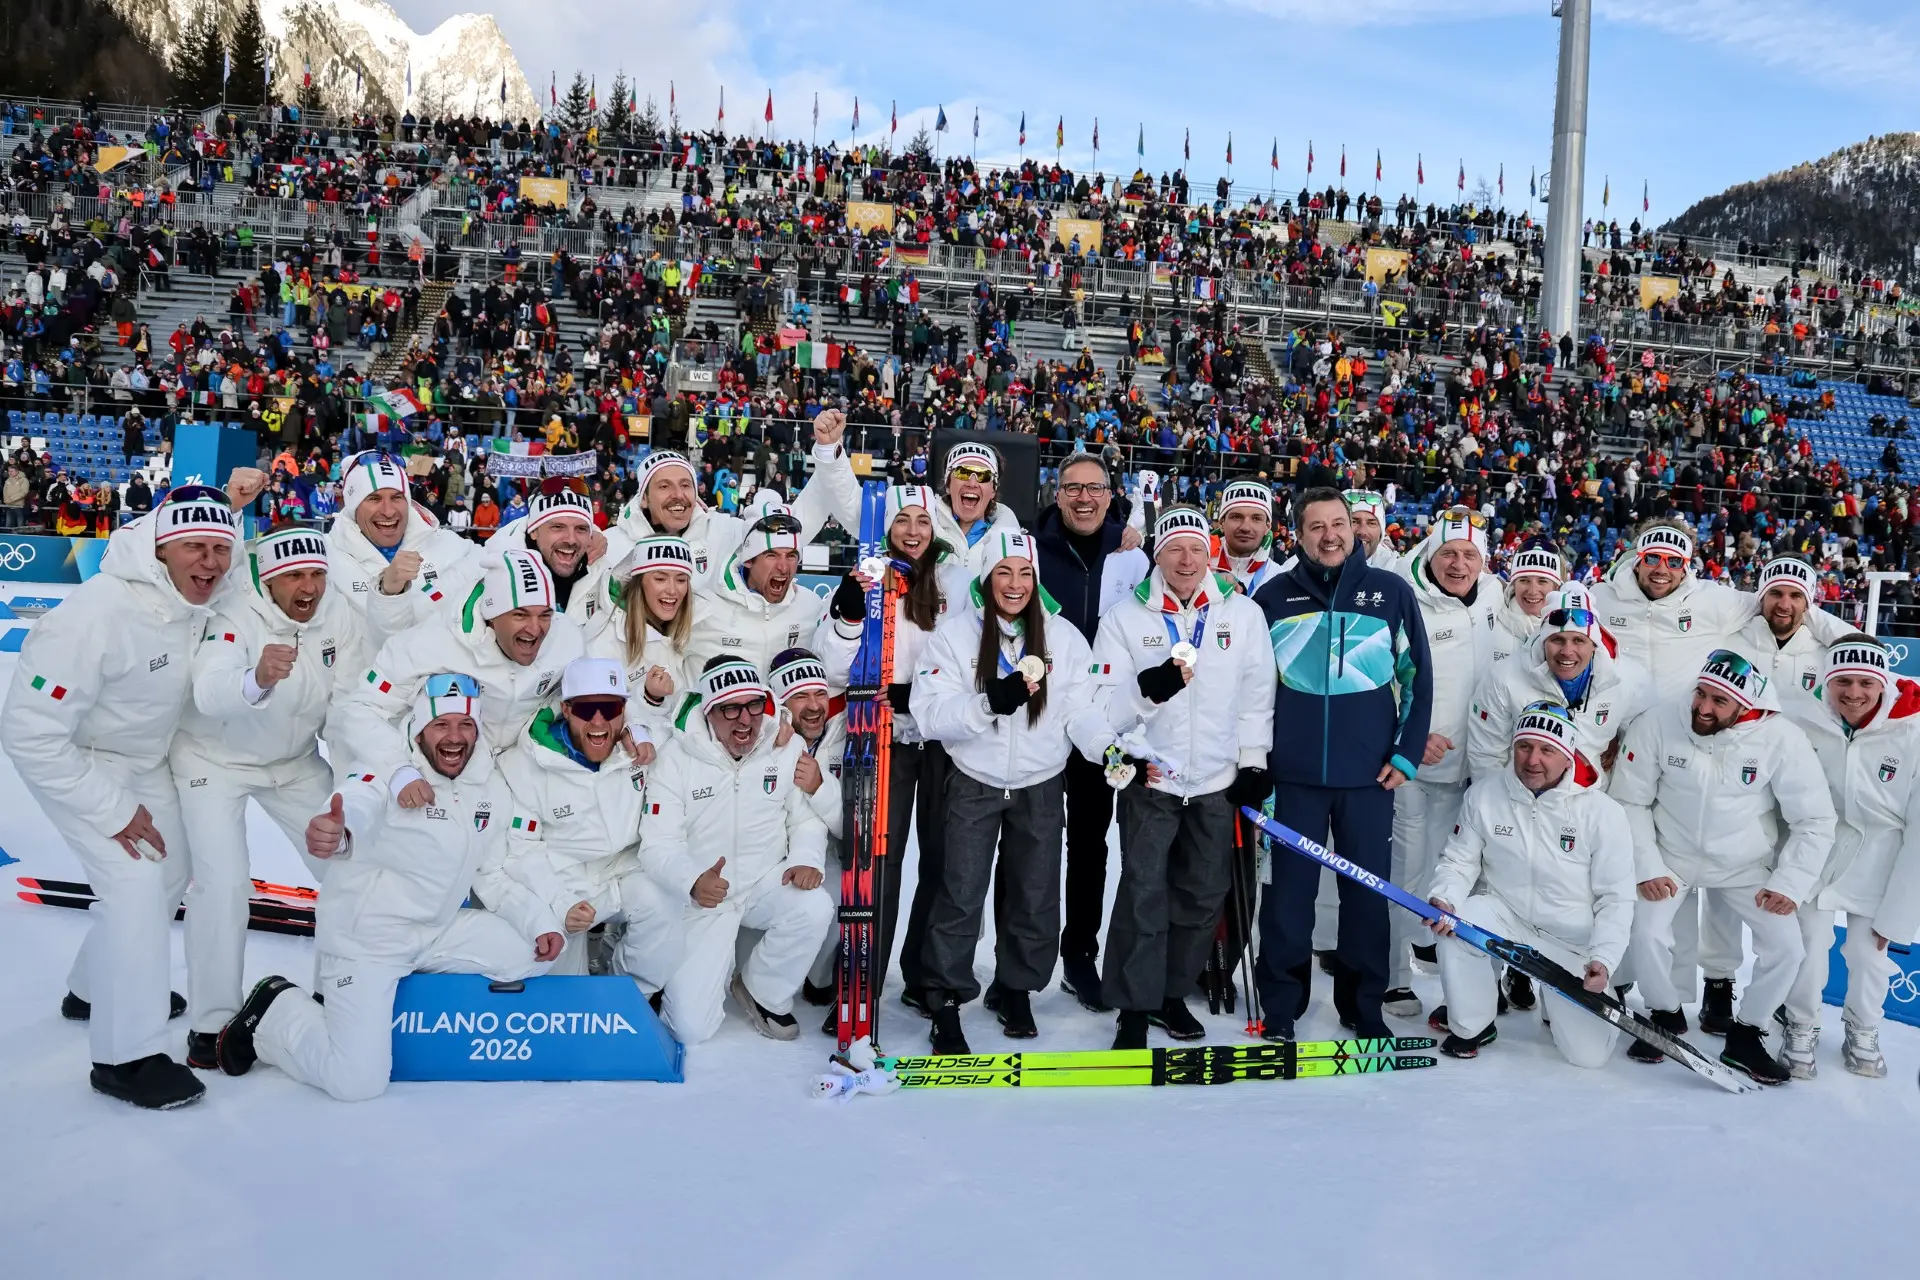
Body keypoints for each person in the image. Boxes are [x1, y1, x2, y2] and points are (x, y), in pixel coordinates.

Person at [0, 485, 243, 1109]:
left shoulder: (203, 592)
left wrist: (235, 507)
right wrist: (111, 809)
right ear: (159, 549)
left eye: (220, 548)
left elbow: (252, 561)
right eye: (194, 547)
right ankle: (126, 1057)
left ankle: (93, 989)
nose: (210, 562)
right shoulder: (94, 615)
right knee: (135, 882)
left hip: (145, 757)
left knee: (173, 870)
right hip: (77, 758)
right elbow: (28, 732)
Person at [212, 675, 562, 1102]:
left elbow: (491, 874)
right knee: (356, 1083)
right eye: (441, 724)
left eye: (466, 725)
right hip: (367, 940)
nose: (455, 737)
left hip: (434, 930)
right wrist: (336, 832)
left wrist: (540, 922)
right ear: (419, 729)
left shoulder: (488, 788)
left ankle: (396, 1001)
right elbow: (356, 801)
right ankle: (275, 1010)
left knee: (533, 952)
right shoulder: (385, 773)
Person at [1592, 520, 1852, 1034]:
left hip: (1748, 772)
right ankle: (1650, 997)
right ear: (1635, 559)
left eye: (1674, 561)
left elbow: (1789, 604)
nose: (1662, 568)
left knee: (1732, 904)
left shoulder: (1714, 601)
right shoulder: (1604, 598)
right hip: (1649, 744)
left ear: (1686, 566)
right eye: (1653, 558)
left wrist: (1853, 643)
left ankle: (1725, 989)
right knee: (1637, 889)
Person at [169, 524, 369, 1068]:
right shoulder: (235, 609)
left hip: (295, 762)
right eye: (295, 577)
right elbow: (210, 691)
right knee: (224, 884)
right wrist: (255, 679)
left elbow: (349, 707)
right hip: (213, 761)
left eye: (317, 574)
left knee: (353, 867)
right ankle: (212, 1023)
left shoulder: (340, 615)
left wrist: (356, 786)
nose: (309, 588)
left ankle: (335, 994)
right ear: (270, 580)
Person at [1078, 507, 1277, 1048]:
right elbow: (1102, 704)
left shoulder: (1242, 614)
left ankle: (1170, 994)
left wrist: (1253, 760)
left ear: (1209, 554)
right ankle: (1133, 1006)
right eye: (1174, 549)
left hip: (1216, 779)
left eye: (1195, 549)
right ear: (1157, 556)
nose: (1186, 561)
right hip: (1152, 777)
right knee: (1142, 892)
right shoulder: (1125, 617)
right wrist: (1147, 692)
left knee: (1202, 895)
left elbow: (1257, 695)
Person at [1251, 486, 1432, 1042]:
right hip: (1293, 778)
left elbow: (1417, 676)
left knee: (1366, 899)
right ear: (1298, 535)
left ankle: (1363, 1005)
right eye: (1316, 527)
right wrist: (1257, 763)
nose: (1329, 536)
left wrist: (1406, 752)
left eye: (1338, 524)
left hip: (1368, 777)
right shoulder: (1273, 598)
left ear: (1354, 530)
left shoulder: (1391, 593)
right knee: (1287, 899)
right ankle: (1281, 1005)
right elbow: (1251, 690)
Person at [1610, 649, 1837, 1085]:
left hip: (1744, 865)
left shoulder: (1780, 738)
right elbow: (1628, 799)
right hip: (1671, 856)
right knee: (1645, 931)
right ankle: (1665, 1014)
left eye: (1719, 701)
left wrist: (1789, 883)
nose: (1703, 708)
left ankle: (1747, 1033)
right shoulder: (1659, 722)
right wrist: (1647, 865)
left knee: (1788, 947)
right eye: (1701, 694)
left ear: (1746, 706)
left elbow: (1815, 819)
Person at [912, 531, 1096, 1052]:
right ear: (986, 578)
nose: (1015, 584)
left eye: (1025, 573)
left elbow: (1082, 711)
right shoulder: (955, 635)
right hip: (975, 778)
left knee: (1035, 894)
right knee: (960, 890)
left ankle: (1015, 987)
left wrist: (1107, 748)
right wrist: (988, 703)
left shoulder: (1063, 637)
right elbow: (931, 713)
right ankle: (945, 998)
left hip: (1040, 781)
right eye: (1004, 572)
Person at [811, 485, 972, 1017]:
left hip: (945, 741)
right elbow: (834, 670)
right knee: (878, 862)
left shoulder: (955, 582)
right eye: (902, 520)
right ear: (886, 529)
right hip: (884, 738)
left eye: (922, 521)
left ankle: (926, 977)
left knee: (943, 862)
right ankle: (861, 982)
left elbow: (971, 661)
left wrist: (919, 695)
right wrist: (849, 613)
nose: (912, 531)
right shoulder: (867, 577)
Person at [1425, 701, 1634, 1066]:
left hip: (1570, 938)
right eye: (1524, 746)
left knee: (1588, 1057)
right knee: (1457, 926)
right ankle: (1472, 1025)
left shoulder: (1603, 813)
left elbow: (1615, 898)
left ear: (1567, 756)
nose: (1532, 760)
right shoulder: (1485, 795)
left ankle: (1566, 1001)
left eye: (1546, 750)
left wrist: (1603, 959)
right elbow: (1459, 861)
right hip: (1506, 916)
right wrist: (1445, 899)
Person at [638, 658, 833, 1044]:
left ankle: (763, 992)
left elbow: (805, 820)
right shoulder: (674, 757)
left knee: (814, 906)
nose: (745, 720)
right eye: (730, 709)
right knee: (690, 1030)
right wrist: (692, 880)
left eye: (753, 706)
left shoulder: (785, 745)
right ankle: (659, 977)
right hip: (705, 898)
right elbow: (657, 844)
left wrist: (805, 858)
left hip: (764, 879)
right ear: (709, 711)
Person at [1031, 453, 1149, 1011]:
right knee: (1027, 848)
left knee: (1088, 847)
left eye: (1094, 488)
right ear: (1057, 494)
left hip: (1098, 724)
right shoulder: (1030, 548)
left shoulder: (1131, 556)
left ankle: (1079, 954)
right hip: (1035, 719)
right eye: (1072, 488)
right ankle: (1018, 963)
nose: (1083, 498)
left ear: (1110, 495)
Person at [1779, 635, 1920, 1079]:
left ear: (1884, 684)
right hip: (1818, 846)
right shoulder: (1802, 718)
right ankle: (1800, 1023)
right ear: (1826, 682)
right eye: (1842, 681)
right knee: (1808, 942)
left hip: (1884, 852)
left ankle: (1863, 1026)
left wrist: (1899, 914)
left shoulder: (1913, 729)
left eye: (1865, 682)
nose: (1854, 693)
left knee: (1868, 950)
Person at [333, 549, 587, 786]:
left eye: (545, 615)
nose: (534, 628)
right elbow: (360, 709)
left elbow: (589, 697)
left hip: (519, 781)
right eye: (520, 615)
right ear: (491, 614)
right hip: (440, 782)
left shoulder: (566, 639)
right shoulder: (428, 645)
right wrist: (399, 768)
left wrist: (550, 714)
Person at [1385, 506, 1500, 1016]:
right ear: (1430, 554)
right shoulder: (1405, 596)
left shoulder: (1494, 594)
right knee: (1405, 873)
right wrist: (1409, 734)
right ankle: (1392, 976)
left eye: (1469, 555)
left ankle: (1461, 977)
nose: (1459, 565)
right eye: (1449, 553)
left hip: (1470, 770)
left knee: (1456, 877)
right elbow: (1383, 674)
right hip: (1413, 765)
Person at [495, 657, 663, 978]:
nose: (598, 720)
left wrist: (642, 727)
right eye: (586, 710)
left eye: (610, 709)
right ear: (567, 710)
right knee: (558, 978)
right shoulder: (523, 767)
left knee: (663, 899)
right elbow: (522, 852)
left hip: (624, 872)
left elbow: (685, 728)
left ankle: (633, 990)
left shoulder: (641, 748)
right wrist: (561, 903)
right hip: (564, 885)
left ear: (623, 712)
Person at [616, 410, 858, 587]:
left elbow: (792, 528)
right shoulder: (611, 548)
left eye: (685, 485)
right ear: (643, 498)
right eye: (664, 486)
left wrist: (828, 450)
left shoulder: (723, 533)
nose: (678, 495)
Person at [1467, 584, 1650, 785]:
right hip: (1521, 794)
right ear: (1543, 641)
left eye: (1578, 640)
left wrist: (1618, 742)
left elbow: (1642, 746)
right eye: (1557, 640)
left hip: (1592, 796)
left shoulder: (1628, 678)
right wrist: (1499, 801)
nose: (1567, 651)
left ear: (1594, 645)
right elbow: (1486, 754)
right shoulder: (1504, 678)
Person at [326, 450, 477, 647]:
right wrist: (388, 594)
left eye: (397, 497)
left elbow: (495, 560)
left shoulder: (446, 543)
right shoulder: (325, 558)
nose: (388, 511)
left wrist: (431, 596)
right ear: (354, 507)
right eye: (374, 498)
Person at [686, 512, 829, 675]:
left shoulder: (810, 605)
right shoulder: (703, 606)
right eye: (772, 555)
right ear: (748, 560)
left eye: (791, 556)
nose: (783, 567)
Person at [585, 535, 696, 740]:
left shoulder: (697, 624)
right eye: (660, 579)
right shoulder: (604, 639)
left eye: (681, 580)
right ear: (639, 582)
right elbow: (595, 718)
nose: (672, 590)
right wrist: (649, 698)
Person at [477, 484, 630, 630]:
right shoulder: (494, 573)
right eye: (557, 527)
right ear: (533, 531)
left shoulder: (599, 568)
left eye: (581, 529)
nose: (571, 539)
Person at [1732, 556, 1828, 719]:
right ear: (1761, 596)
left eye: (1795, 596)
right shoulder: (1730, 644)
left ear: (1807, 604)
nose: (1784, 605)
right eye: (1776, 593)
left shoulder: (1825, 657)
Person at [926, 441, 1023, 561]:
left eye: (983, 475)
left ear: (993, 490)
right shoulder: (924, 534)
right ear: (948, 485)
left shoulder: (1012, 546)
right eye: (962, 472)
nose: (972, 483)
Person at [1492, 543, 1565, 662]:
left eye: (1542, 581)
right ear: (1514, 584)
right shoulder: (1490, 621)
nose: (1532, 591)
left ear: (1556, 587)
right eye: (1524, 580)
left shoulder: (1569, 629)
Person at [1209, 478, 1283, 595]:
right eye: (1236, 517)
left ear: (1267, 527)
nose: (1245, 527)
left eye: (1256, 518)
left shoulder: (1280, 580)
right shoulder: (1195, 572)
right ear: (1222, 523)